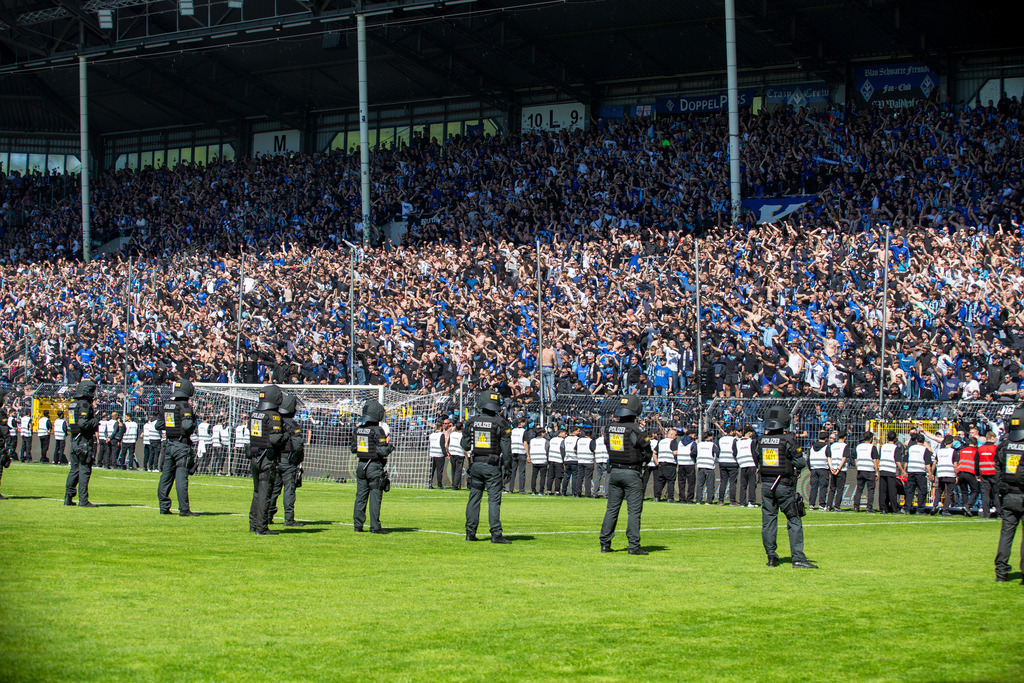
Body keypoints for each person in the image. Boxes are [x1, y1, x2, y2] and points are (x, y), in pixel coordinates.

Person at [755, 405, 817, 568]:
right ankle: (798, 558)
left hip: (767, 484)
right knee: (794, 519)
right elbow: (801, 462)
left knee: (769, 521)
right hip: (783, 484)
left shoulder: (760, 440)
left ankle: (771, 557)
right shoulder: (788, 440)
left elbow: (757, 458)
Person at [599, 395, 653, 555]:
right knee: (634, 511)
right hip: (632, 472)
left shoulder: (609, 428)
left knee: (612, 509)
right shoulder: (635, 429)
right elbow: (647, 452)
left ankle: (605, 543)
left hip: (614, 472)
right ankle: (633, 546)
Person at [462, 391, 513, 543]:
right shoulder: (501, 423)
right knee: (494, 500)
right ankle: (496, 534)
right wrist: (508, 468)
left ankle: (470, 532)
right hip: (492, 466)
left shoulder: (471, 422)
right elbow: (506, 450)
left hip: (476, 464)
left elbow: (465, 445)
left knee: (474, 499)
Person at [157, 379, 200, 517]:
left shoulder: (167, 404)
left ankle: (164, 506)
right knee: (181, 477)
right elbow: (187, 426)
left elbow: (158, 425)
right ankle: (184, 509)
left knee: (166, 476)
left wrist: (172, 426)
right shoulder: (185, 406)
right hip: (181, 445)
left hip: (169, 444)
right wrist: (194, 422)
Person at [249, 385, 287, 535]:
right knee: (265, 493)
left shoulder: (255, 414)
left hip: (254, 456)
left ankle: (253, 524)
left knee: (257, 492)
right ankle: (261, 527)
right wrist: (286, 436)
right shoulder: (274, 416)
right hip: (267, 458)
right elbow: (275, 439)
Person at [352, 398, 393, 533]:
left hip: (361, 465)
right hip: (374, 466)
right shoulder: (378, 430)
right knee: (375, 496)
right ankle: (375, 526)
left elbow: (353, 449)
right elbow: (382, 451)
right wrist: (390, 447)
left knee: (360, 496)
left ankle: (358, 525)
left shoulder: (358, 430)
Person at [994, 407, 1024, 583]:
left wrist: (1001, 487)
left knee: (1006, 534)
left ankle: (1001, 572)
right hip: (1021, 492)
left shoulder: (1005, 445)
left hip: (1007, 494)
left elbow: (998, 469)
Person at [269, 392, 306, 527]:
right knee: (289, 490)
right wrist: (297, 460)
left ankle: (268, 515)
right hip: (288, 460)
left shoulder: (274, 420)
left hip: (275, 459)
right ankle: (289, 519)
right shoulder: (292, 424)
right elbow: (297, 446)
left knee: (274, 489)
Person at [64, 380, 100, 507]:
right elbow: (83, 424)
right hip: (84, 441)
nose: (93, 394)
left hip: (74, 439)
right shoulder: (85, 405)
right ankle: (83, 500)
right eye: (91, 391)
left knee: (74, 470)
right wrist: (95, 421)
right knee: (84, 470)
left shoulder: (73, 404)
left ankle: (68, 498)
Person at [903, 433, 933, 515]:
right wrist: (930, 473)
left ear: (916, 440)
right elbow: (927, 464)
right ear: (924, 442)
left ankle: (908, 508)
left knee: (910, 491)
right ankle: (920, 509)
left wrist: (904, 471)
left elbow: (906, 461)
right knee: (922, 491)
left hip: (911, 471)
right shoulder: (924, 450)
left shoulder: (911, 448)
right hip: (920, 472)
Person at [852, 431, 879, 513]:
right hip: (869, 470)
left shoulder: (858, 447)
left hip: (860, 469)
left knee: (859, 489)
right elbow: (875, 460)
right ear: (871, 439)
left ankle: (856, 507)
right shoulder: (872, 447)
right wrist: (877, 471)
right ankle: (869, 508)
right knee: (870, 489)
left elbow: (855, 459)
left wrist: (858, 468)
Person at [931, 434, 957, 516]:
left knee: (939, 491)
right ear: (951, 443)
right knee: (949, 492)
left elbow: (934, 464)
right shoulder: (953, 452)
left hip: (941, 473)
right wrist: (956, 475)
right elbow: (955, 465)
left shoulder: (939, 451)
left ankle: (934, 506)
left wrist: (932, 473)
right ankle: (945, 510)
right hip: (950, 473)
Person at [878, 431, 902, 514]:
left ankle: (883, 508)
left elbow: (879, 457)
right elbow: (898, 461)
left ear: (887, 437)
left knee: (882, 490)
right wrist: (902, 470)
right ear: (895, 438)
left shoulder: (883, 447)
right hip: (891, 470)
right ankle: (894, 508)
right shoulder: (895, 448)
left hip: (883, 469)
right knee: (892, 491)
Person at [826, 431, 850, 511]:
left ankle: (829, 505)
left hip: (833, 469)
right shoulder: (845, 446)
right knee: (839, 488)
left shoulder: (832, 445)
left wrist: (831, 468)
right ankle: (837, 506)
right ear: (845, 437)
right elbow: (844, 458)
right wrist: (839, 468)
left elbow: (829, 457)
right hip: (841, 470)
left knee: (832, 488)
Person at [956, 437, 980, 517]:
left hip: (960, 471)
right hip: (969, 472)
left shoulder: (962, 450)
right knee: (975, 490)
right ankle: (968, 506)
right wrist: (978, 474)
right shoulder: (976, 451)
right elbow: (976, 462)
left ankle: (966, 510)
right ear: (975, 444)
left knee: (964, 492)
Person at [978, 432, 1000, 519]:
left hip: (984, 473)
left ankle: (986, 514)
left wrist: (978, 473)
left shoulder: (980, 449)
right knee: (996, 494)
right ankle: (999, 513)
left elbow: (977, 461)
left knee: (985, 494)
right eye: (995, 438)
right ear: (991, 438)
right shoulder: (995, 448)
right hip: (994, 473)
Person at [736, 426, 759, 508]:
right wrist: (757, 465)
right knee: (752, 484)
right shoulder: (750, 441)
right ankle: (751, 502)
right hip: (751, 464)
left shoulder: (738, 442)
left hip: (742, 464)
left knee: (743, 484)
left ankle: (742, 502)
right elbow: (754, 454)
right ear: (749, 433)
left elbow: (735, 452)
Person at [654, 427, 678, 502]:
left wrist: (657, 462)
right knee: (670, 481)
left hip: (661, 464)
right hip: (670, 464)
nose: (676, 437)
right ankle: (670, 498)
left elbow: (654, 452)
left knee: (660, 482)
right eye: (675, 435)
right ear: (672, 435)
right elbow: (675, 452)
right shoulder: (673, 442)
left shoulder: (661, 441)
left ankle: (656, 497)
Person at [717, 425, 739, 506]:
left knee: (723, 481)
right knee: (732, 482)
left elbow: (718, 450)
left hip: (722, 461)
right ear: (732, 431)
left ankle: (720, 500)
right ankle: (732, 501)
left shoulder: (721, 439)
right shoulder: (734, 440)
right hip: (732, 462)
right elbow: (735, 451)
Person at [695, 430, 718, 504]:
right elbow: (717, 452)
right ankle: (709, 500)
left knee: (700, 484)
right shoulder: (712, 445)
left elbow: (693, 453)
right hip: (709, 466)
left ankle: (698, 500)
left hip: (700, 466)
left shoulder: (699, 444)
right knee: (710, 484)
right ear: (709, 437)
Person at [507, 417, 528, 494]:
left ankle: (510, 489)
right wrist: (528, 454)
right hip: (521, 453)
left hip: (513, 452)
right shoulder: (524, 431)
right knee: (521, 472)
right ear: (522, 423)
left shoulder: (513, 431)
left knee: (512, 472)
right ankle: (521, 489)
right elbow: (525, 443)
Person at [676, 427, 696, 504]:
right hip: (690, 463)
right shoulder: (693, 443)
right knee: (691, 482)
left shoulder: (680, 442)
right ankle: (690, 499)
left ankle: (682, 498)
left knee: (681, 482)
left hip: (681, 463)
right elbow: (694, 452)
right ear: (691, 435)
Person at [428, 420, 449, 489]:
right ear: (440, 427)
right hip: (439, 455)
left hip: (432, 454)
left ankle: (429, 484)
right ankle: (439, 485)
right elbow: (442, 445)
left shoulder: (431, 435)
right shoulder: (441, 435)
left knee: (432, 470)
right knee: (439, 471)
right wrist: (446, 454)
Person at [527, 425, 548, 495]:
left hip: (535, 460)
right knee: (542, 476)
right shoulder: (544, 441)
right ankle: (541, 491)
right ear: (542, 433)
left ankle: (533, 490)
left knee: (534, 476)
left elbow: (530, 449)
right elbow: (547, 450)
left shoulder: (532, 441)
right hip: (543, 460)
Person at [576, 427, 595, 497]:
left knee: (580, 477)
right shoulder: (591, 441)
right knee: (588, 478)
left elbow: (575, 450)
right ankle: (587, 493)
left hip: (580, 460)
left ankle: (578, 493)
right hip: (589, 461)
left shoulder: (579, 440)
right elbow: (594, 450)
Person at [448, 421, 466, 491]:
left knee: (453, 469)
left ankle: (453, 484)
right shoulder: (462, 435)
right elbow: (463, 445)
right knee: (458, 470)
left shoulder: (452, 434)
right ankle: (455, 485)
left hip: (452, 452)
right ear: (462, 427)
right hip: (459, 453)